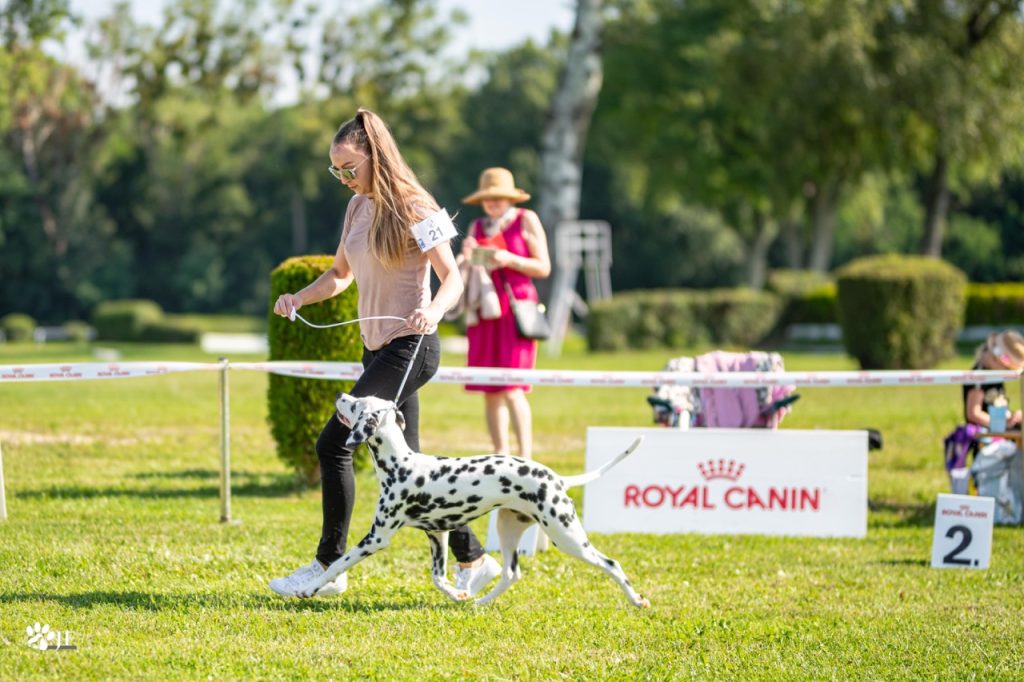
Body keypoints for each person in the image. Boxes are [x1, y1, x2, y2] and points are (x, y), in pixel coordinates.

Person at [268, 108, 500, 598]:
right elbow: (340, 275)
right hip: (375, 351)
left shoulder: (416, 206)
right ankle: (474, 558)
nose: (343, 179)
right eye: (335, 171)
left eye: (349, 168)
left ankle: (328, 567)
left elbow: (453, 278)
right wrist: (299, 298)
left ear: (376, 156)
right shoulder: (357, 209)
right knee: (408, 465)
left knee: (333, 445)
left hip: (410, 347)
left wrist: (432, 311)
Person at [457, 167, 551, 459]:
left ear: (510, 198)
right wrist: (468, 256)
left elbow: (543, 267)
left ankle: (525, 457)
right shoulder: (476, 226)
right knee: (490, 388)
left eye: (498, 197)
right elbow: (467, 266)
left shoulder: (526, 219)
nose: (492, 203)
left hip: (516, 310)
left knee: (512, 386)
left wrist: (509, 259)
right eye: (487, 198)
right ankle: (500, 455)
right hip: (485, 310)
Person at [963, 330, 1024, 429]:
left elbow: (998, 406)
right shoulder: (979, 376)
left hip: (997, 428)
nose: (1006, 371)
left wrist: (1013, 417)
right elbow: (974, 414)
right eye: (1007, 368)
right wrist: (1004, 425)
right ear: (995, 359)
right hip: (984, 432)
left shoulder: (995, 375)